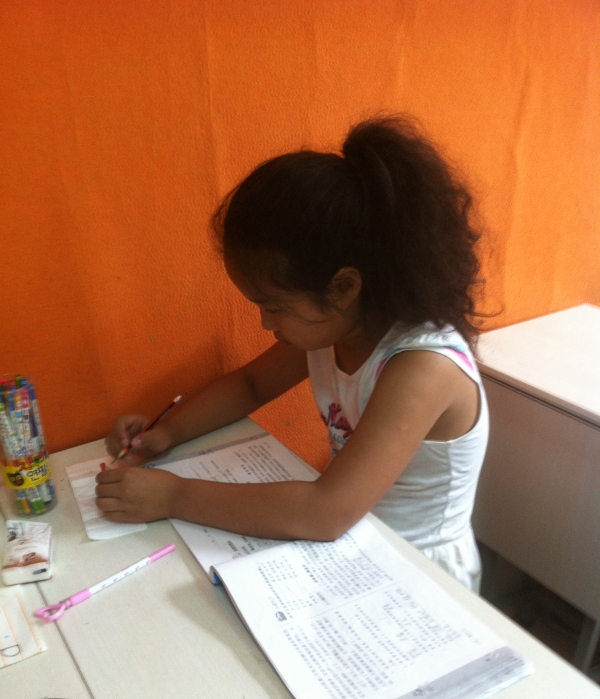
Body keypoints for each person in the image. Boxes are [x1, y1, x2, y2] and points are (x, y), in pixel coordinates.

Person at [97, 115, 488, 592]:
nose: (266, 324)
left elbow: (326, 512)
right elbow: (250, 385)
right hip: (353, 542)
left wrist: (173, 496)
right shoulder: (333, 328)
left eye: (274, 307)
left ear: (343, 287)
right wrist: (167, 433)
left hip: (420, 573)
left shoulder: (422, 367)